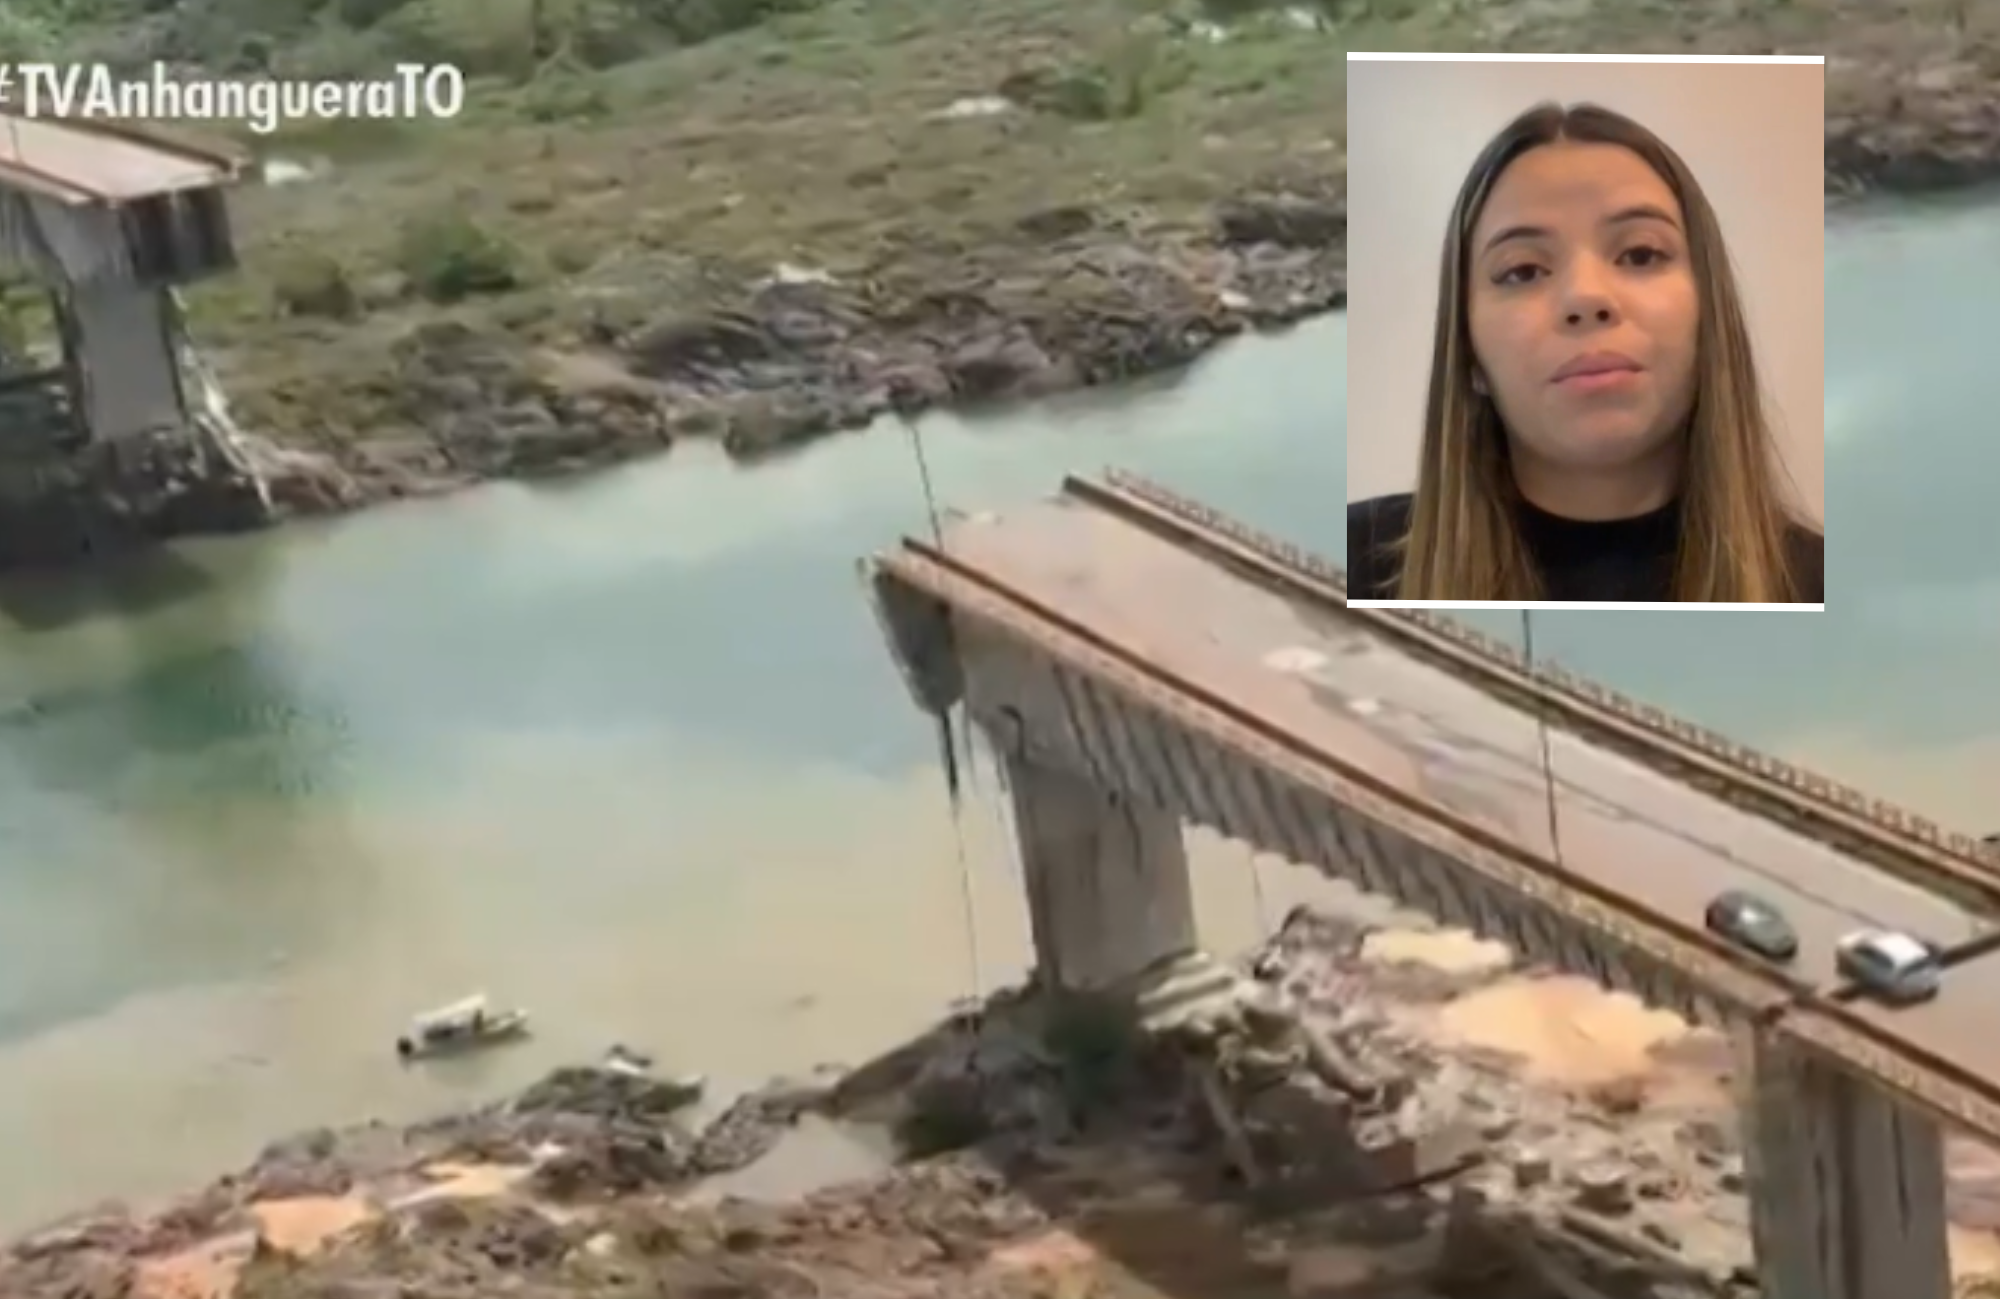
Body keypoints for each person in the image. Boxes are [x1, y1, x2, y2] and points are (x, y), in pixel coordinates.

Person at [1347, 101, 1824, 603]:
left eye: (1640, 254)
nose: (1586, 297)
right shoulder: (1347, 566)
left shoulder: (1819, 585)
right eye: (1524, 271)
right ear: (1467, 351)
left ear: (1711, 317)